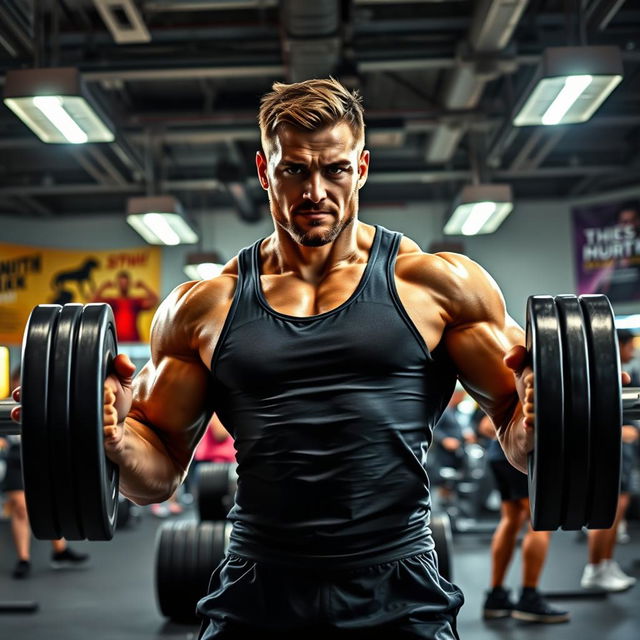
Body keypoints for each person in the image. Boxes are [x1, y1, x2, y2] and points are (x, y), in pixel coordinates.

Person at [13, 78, 535, 638]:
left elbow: (524, 441)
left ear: (361, 168)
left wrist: (541, 414)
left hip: (398, 583)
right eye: (294, 170)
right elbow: (157, 475)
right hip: (259, 582)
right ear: (265, 171)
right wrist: (111, 439)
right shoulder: (203, 306)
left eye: (334, 169)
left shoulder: (439, 285)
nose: (315, 190)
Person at [480, 416, 569, 623]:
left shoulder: (504, 384)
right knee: (539, 523)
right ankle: (529, 598)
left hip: (499, 452)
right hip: (524, 454)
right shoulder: (534, 384)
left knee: (510, 520)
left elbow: (485, 425)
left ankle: (496, 596)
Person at [1, 375, 89, 579]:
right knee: (21, 508)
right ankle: (23, 558)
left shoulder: (46, 403)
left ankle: (60, 551)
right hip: (15, 460)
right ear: (14, 384)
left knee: (48, 505)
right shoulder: (5, 404)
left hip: (40, 458)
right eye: (19, 383)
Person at [580, 329, 638, 591]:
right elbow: (589, 418)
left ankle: (606, 563)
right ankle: (594, 569)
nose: (633, 352)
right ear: (618, 346)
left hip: (622, 455)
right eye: (630, 346)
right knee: (606, 512)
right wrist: (621, 431)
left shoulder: (625, 379)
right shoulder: (597, 377)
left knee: (619, 510)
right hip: (606, 453)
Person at [91, 270, 159, 342]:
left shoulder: (135, 301)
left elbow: (155, 300)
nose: (123, 285)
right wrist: (103, 287)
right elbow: (93, 303)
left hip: (134, 340)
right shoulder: (113, 302)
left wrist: (144, 286)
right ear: (117, 284)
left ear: (129, 283)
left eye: (125, 283)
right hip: (116, 340)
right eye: (121, 283)